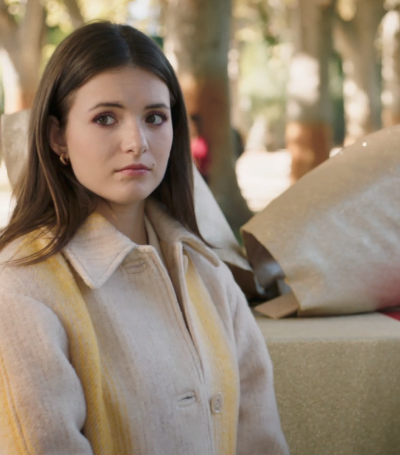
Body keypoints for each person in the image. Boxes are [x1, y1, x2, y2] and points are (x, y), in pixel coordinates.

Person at [0, 22, 289, 454]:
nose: (136, 142)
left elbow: (261, 440)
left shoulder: (207, 272)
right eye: (105, 118)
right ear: (57, 136)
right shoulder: (21, 286)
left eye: (155, 117)